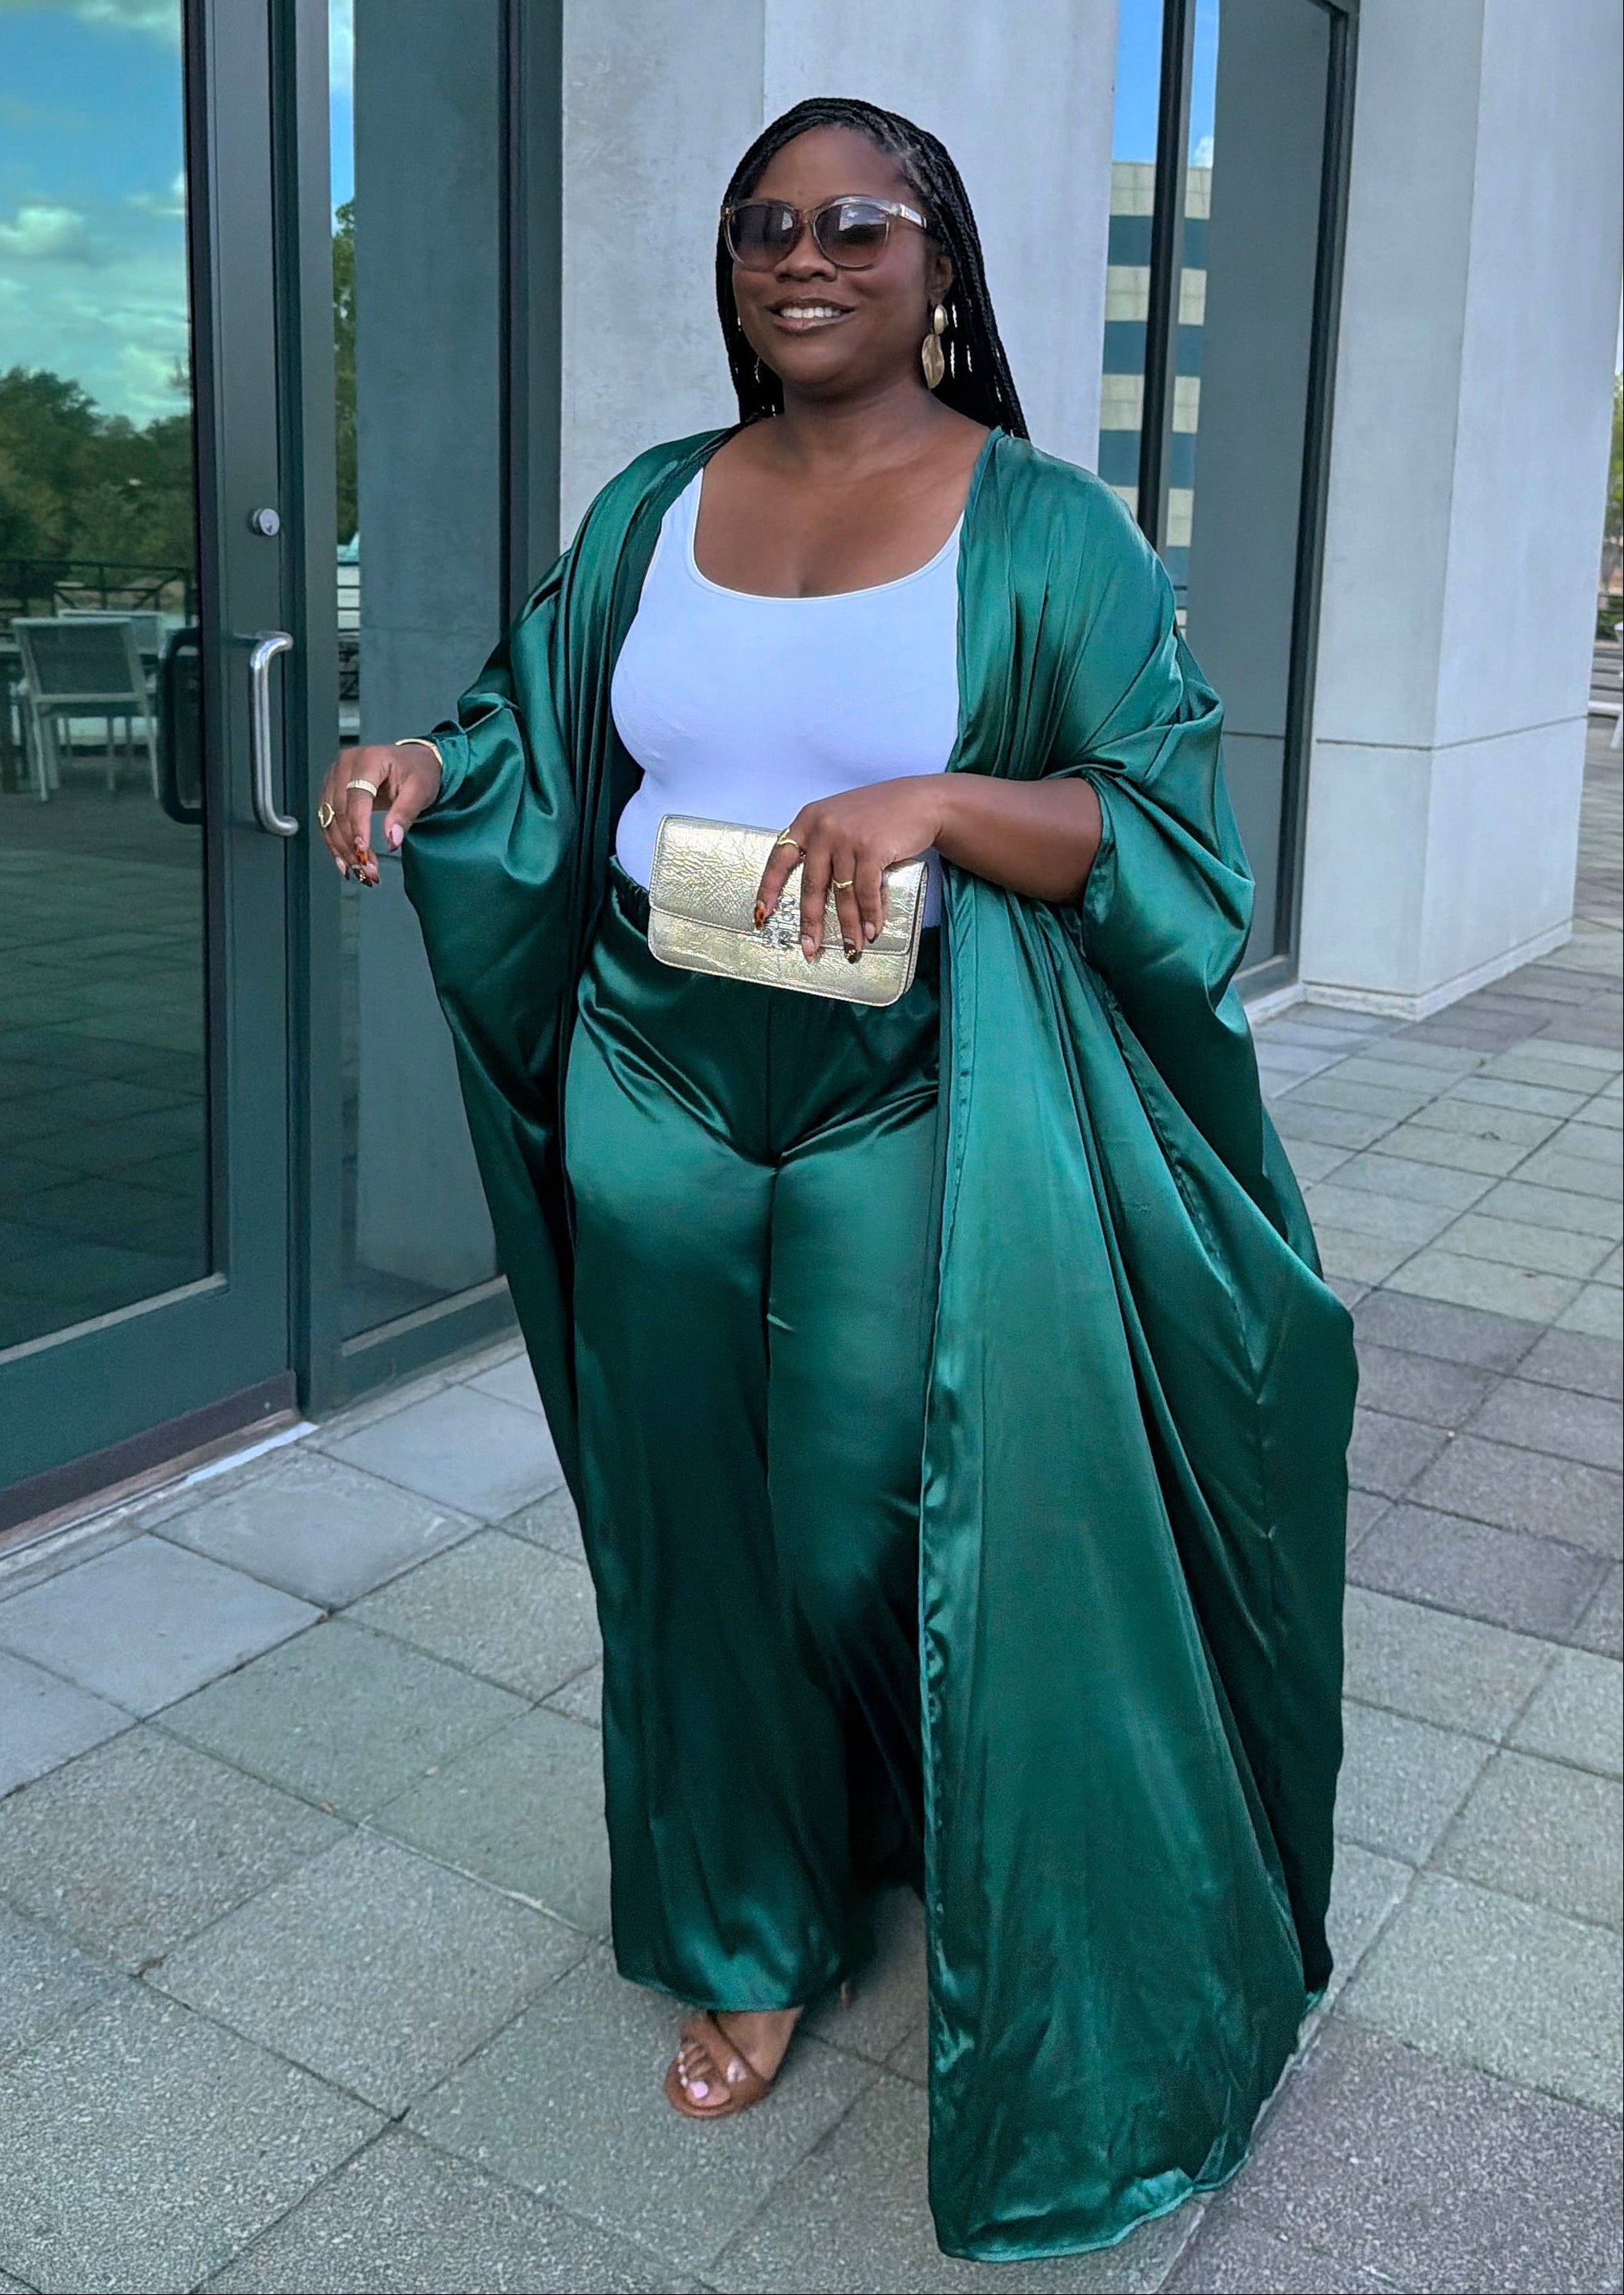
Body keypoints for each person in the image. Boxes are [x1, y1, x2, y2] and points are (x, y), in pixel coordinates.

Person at [315, 95, 1355, 2265]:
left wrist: (949, 799)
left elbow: (1163, 843)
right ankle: (748, 1921)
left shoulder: (1047, 530)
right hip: (655, 1061)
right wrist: (425, 758)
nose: (802, 255)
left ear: (936, 261)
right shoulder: (650, 506)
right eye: (762, 224)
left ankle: (896, 1804)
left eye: (852, 223)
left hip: (902, 1076)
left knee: (860, 1507)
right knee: (684, 1513)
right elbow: (533, 730)